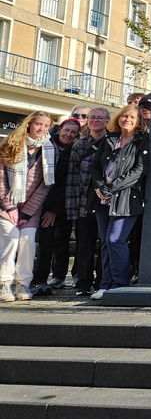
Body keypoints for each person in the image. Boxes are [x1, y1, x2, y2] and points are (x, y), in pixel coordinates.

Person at [89, 105, 148, 299]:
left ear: (138, 120)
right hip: (102, 199)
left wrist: (111, 187)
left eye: (131, 116)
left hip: (126, 198)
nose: (127, 119)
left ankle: (120, 284)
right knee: (106, 242)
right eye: (124, 115)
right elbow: (96, 166)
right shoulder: (109, 139)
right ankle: (105, 284)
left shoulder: (142, 141)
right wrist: (100, 186)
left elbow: (139, 170)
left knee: (116, 239)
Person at [0, 111, 56, 302]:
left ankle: (23, 283)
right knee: (11, 240)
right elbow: (1, 179)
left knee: (28, 241)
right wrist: (10, 207)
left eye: (46, 125)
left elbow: (45, 185)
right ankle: (4, 284)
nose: (41, 128)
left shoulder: (49, 149)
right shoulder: (11, 143)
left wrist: (26, 212)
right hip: (6, 205)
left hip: (31, 208)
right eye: (38, 124)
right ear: (30, 124)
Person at [31, 118, 80, 293]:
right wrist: (50, 209)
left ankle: (58, 276)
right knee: (45, 242)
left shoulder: (74, 150)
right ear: (60, 129)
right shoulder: (46, 145)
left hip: (65, 202)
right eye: (67, 130)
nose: (69, 134)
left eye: (73, 132)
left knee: (62, 241)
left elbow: (65, 183)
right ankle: (39, 279)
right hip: (42, 201)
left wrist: (55, 209)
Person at [66, 108, 109, 295]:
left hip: (106, 201)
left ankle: (102, 281)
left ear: (108, 121)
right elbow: (72, 178)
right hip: (84, 201)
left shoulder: (113, 142)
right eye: (92, 118)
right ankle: (83, 282)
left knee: (104, 243)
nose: (95, 121)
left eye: (100, 118)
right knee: (84, 244)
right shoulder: (80, 145)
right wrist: (74, 206)